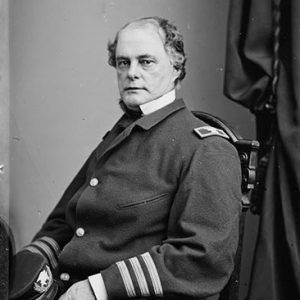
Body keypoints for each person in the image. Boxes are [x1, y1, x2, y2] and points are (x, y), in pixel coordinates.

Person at [10, 16, 242, 300]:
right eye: (123, 62)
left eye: (146, 62)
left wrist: (97, 289)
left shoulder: (206, 148)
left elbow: (204, 260)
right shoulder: (119, 136)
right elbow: (65, 223)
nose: (131, 73)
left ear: (176, 67)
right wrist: (26, 269)